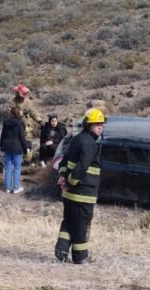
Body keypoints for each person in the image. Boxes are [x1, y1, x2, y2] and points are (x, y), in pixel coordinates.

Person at [54, 108, 105, 264]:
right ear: (88, 125)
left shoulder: (77, 139)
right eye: (96, 124)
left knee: (69, 220)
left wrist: (62, 177)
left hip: (69, 194)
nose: (100, 127)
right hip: (83, 193)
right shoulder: (90, 143)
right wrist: (70, 182)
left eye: (101, 124)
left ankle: (61, 250)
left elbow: (64, 161)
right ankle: (81, 256)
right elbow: (82, 167)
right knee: (81, 224)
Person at [9, 84, 42, 164]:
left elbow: (33, 112)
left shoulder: (28, 102)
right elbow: (11, 113)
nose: (24, 96)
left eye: (25, 95)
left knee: (28, 142)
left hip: (27, 125)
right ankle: (18, 159)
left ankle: (27, 160)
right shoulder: (12, 102)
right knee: (18, 142)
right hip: (16, 125)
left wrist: (39, 120)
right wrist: (20, 113)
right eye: (22, 94)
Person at [0, 106, 28, 194]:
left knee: (8, 167)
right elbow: (22, 137)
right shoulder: (20, 123)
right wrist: (25, 149)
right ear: (18, 113)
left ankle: (7, 188)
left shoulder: (5, 122)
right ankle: (16, 188)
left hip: (7, 146)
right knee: (17, 168)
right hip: (17, 147)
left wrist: (1, 146)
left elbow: (2, 135)